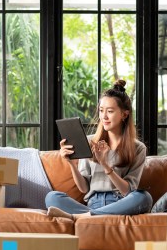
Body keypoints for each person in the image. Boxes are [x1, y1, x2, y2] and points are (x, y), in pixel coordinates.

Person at [45, 79, 153, 220]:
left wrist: (105, 164)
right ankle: (90, 215)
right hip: (92, 203)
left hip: (119, 204)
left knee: (144, 197)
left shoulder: (138, 148)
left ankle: (80, 217)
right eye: (101, 111)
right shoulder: (90, 142)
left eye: (110, 111)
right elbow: (84, 188)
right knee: (52, 197)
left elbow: (128, 191)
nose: (104, 116)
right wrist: (71, 163)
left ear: (124, 114)